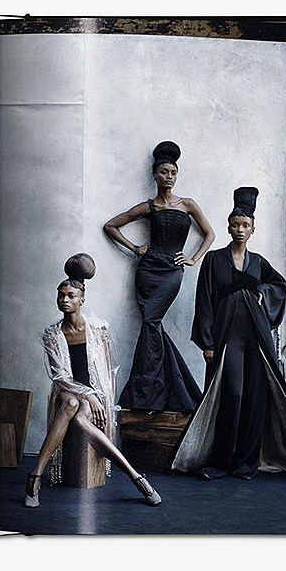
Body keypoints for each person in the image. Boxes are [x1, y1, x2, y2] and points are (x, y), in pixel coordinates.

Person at [171, 187, 286, 480]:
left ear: (253, 230)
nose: (240, 230)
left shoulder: (259, 263)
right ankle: (220, 462)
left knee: (254, 397)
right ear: (228, 227)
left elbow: (281, 286)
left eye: (245, 225)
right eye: (235, 225)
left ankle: (245, 463)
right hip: (226, 338)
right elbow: (204, 302)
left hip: (256, 338)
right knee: (232, 394)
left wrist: (264, 291)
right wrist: (207, 343)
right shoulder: (214, 260)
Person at [25, 253, 162, 508]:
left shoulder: (98, 328)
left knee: (80, 418)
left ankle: (134, 475)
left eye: (71, 296)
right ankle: (37, 476)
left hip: (93, 393)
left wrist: (100, 398)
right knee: (70, 404)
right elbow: (59, 375)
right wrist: (85, 394)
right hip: (67, 390)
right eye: (61, 295)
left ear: (82, 300)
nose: (65, 300)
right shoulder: (52, 334)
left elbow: (108, 370)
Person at [103, 140, 215, 412]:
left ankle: (147, 393)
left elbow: (210, 234)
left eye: (173, 172)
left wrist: (193, 258)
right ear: (155, 175)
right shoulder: (149, 207)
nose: (169, 177)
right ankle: (160, 392)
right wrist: (135, 248)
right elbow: (111, 225)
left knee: (151, 323)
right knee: (151, 325)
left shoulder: (188, 204)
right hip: (147, 271)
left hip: (172, 272)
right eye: (164, 172)